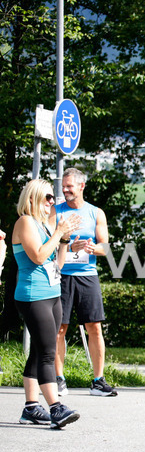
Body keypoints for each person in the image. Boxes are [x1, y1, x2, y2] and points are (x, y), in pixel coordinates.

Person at [12, 179, 82, 428]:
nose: (52, 202)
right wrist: (57, 233)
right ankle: (56, 407)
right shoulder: (25, 222)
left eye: (53, 198)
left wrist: (63, 240)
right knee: (47, 353)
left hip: (51, 293)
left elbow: (58, 264)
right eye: (48, 197)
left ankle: (31, 407)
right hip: (33, 296)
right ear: (32, 199)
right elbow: (39, 256)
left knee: (40, 349)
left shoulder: (41, 225)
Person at [53, 167, 115, 397]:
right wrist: (69, 246)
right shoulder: (55, 211)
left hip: (88, 275)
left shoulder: (96, 213)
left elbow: (105, 247)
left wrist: (91, 248)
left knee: (95, 327)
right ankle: (58, 378)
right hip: (62, 275)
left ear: (81, 186)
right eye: (64, 186)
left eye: (70, 186)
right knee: (60, 328)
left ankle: (98, 380)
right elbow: (48, 243)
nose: (65, 190)